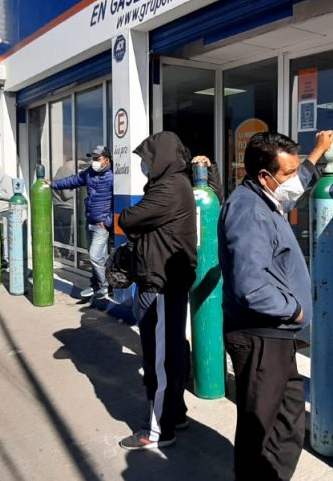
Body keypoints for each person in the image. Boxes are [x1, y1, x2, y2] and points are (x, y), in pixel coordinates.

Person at [218, 130, 333, 480]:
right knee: (261, 428)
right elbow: (249, 287)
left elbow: (296, 181)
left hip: (277, 336)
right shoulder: (248, 210)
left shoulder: (267, 196)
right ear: (264, 175)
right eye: (285, 173)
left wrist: (318, 152)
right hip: (260, 336)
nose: (291, 181)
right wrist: (294, 309)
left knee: (288, 417)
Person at [116, 132, 197, 450]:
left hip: (161, 286)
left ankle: (157, 430)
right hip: (166, 284)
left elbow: (128, 218)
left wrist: (130, 226)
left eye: (147, 160)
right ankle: (175, 414)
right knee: (171, 355)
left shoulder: (169, 188)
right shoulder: (175, 184)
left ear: (160, 159)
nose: (144, 166)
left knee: (159, 362)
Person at [45, 146, 114, 299]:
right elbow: (72, 180)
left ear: (107, 160)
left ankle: (105, 287)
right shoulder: (89, 173)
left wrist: (108, 221)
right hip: (90, 221)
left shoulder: (112, 177)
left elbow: (117, 202)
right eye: (93, 158)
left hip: (102, 225)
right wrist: (53, 184)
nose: (94, 161)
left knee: (95, 256)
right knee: (99, 258)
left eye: (98, 158)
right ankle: (95, 285)